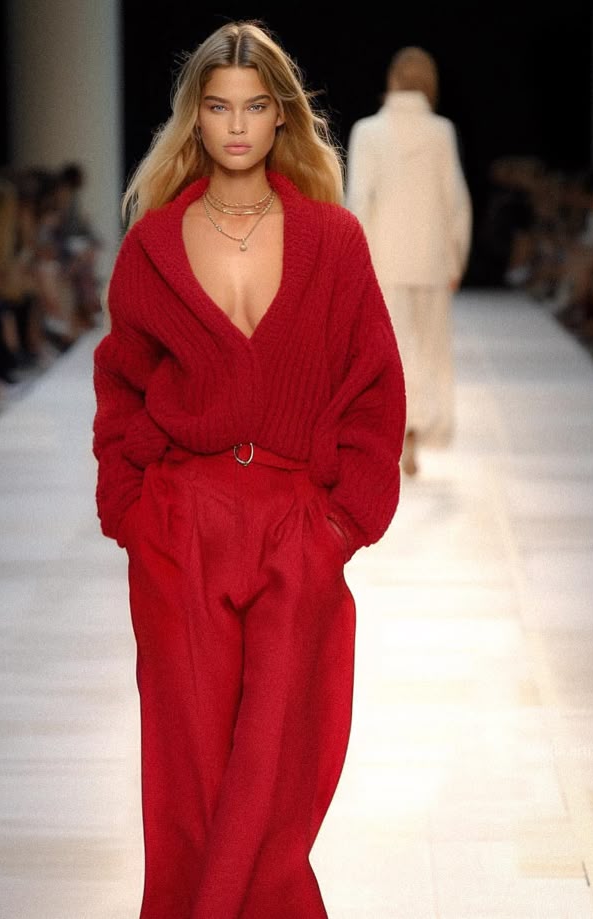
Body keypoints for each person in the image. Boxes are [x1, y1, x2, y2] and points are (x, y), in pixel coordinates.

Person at [92, 19, 406, 919]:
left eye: (255, 106)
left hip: (294, 520)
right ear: (195, 117)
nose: (236, 126)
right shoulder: (154, 244)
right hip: (181, 520)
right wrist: (132, 510)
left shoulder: (333, 240)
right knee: (187, 774)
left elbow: (374, 386)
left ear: (281, 117)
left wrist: (341, 524)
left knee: (279, 772)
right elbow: (122, 384)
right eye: (219, 106)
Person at [345, 45, 472, 476]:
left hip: (383, 258)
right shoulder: (441, 132)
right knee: (430, 350)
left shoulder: (368, 132)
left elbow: (359, 201)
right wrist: (455, 258)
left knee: (390, 350)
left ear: (392, 80)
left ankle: (395, 433)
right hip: (431, 258)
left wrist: (353, 262)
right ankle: (415, 432)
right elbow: (455, 200)